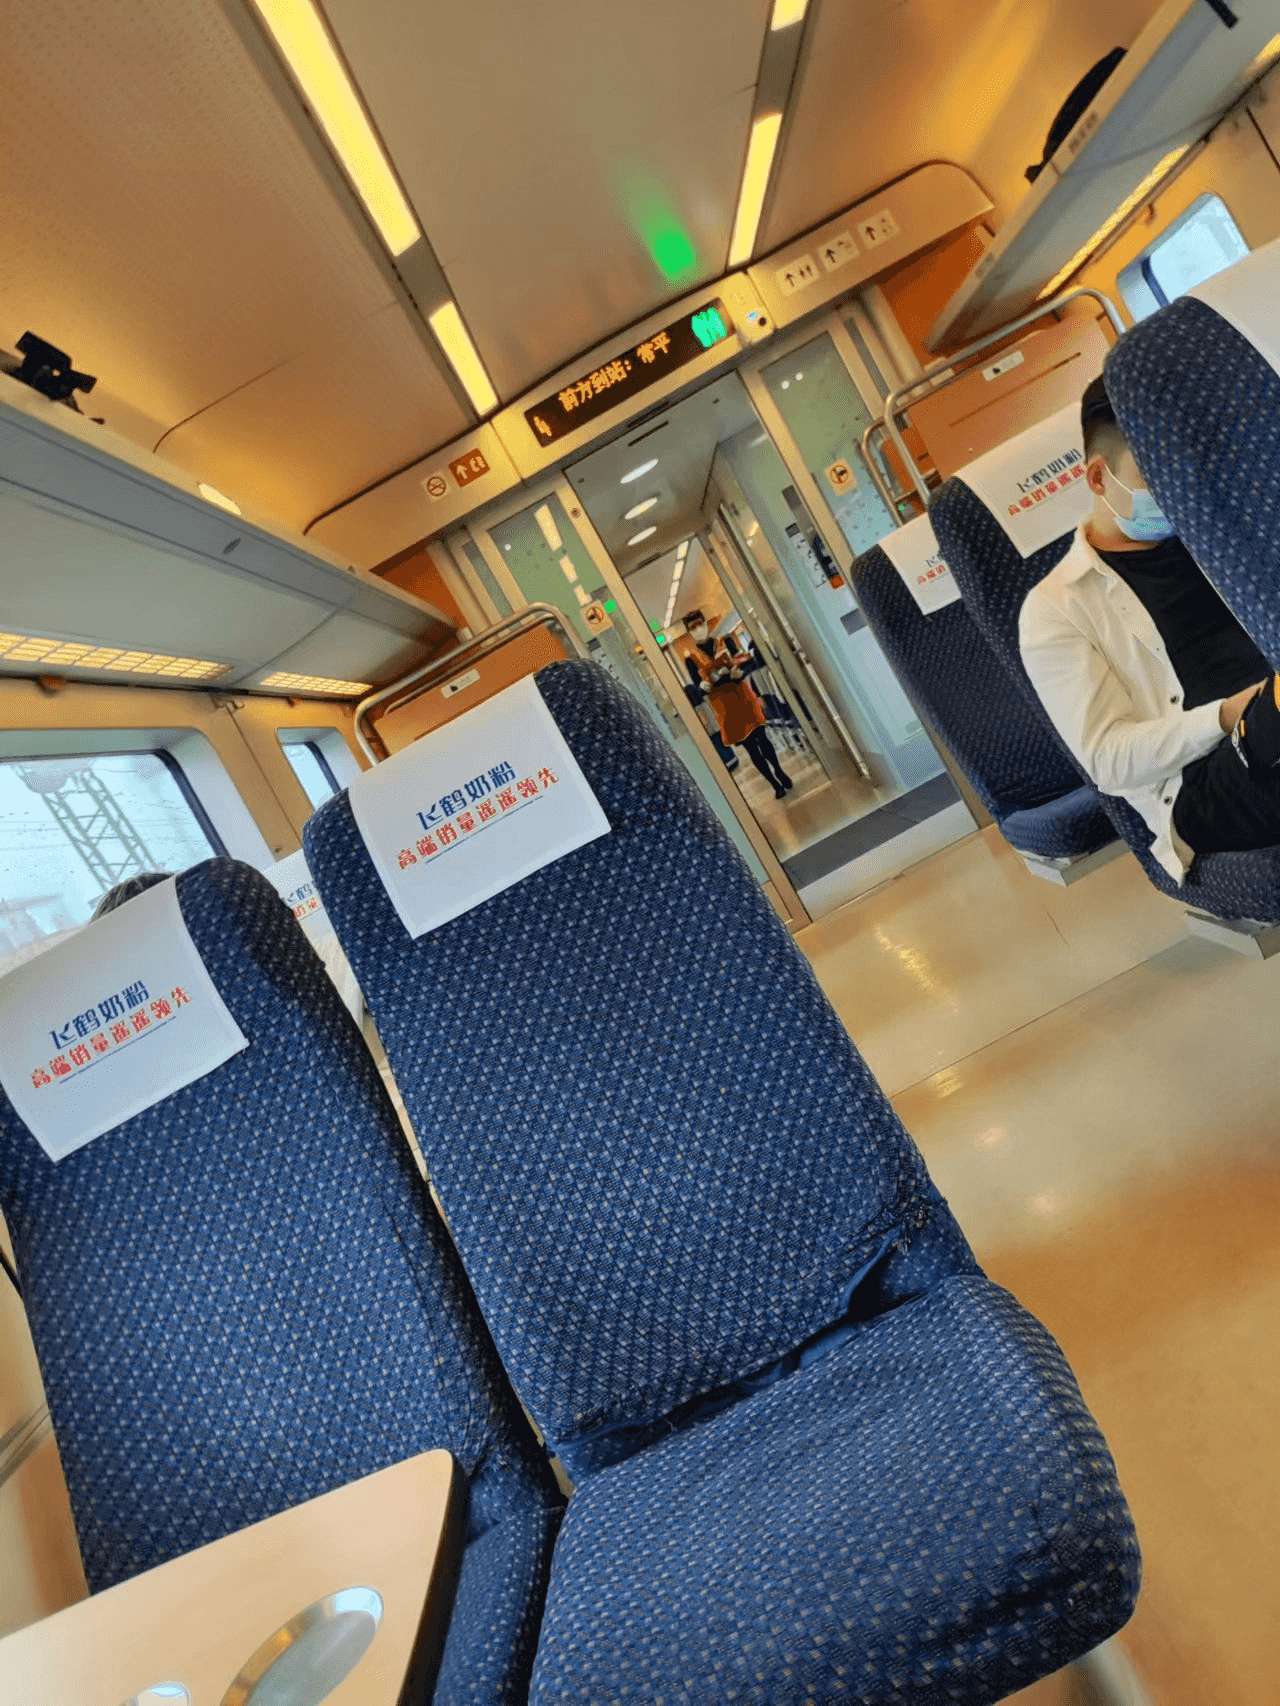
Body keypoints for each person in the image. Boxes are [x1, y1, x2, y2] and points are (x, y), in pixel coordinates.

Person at [1020, 375, 1280, 883]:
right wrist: (1228, 714)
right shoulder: (1055, 609)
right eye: (1153, 476)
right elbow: (1108, 759)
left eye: (1180, 472)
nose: (1174, 492)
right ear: (1099, 479)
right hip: (1203, 781)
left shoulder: (1219, 529)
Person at [682, 610, 793, 800]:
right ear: (689, 632)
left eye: (700, 623)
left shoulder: (725, 641)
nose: (698, 629)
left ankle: (779, 771)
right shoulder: (691, 660)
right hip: (725, 707)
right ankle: (774, 784)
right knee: (751, 748)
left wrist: (740, 672)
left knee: (762, 738)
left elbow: (746, 662)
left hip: (743, 697)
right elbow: (698, 687)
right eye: (693, 627)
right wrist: (702, 687)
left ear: (706, 623)